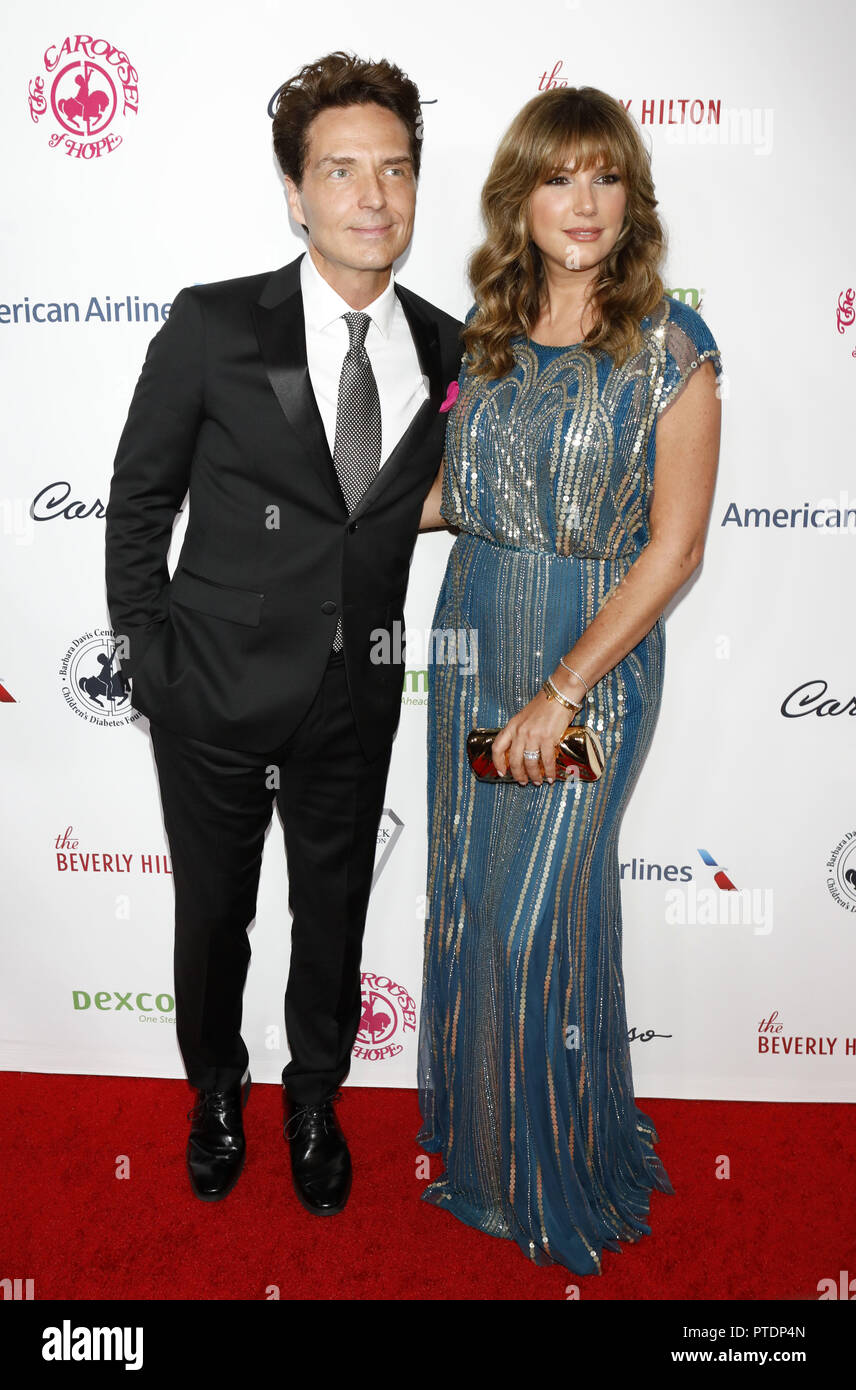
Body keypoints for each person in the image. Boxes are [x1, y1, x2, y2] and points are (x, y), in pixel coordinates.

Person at [105, 51, 463, 1212]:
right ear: (296, 193)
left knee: (335, 911)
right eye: (342, 170)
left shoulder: (451, 349)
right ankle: (215, 1087)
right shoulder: (215, 326)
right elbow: (140, 501)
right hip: (207, 689)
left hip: (356, 692)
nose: (373, 196)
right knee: (213, 918)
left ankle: (316, 1095)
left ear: (416, 186)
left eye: (395, 170)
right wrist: (154, 664)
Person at [416, 86, 723, 1273]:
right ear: (522, 200)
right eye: (558, 178)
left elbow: (677, 547)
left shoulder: (670, 348)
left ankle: (551, 1170)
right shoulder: (486, 337)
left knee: (529, 916)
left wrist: (565, 689)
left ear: (629, 195)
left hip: (585, 656)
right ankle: (494, 1146)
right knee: (473, 898)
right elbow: (455, 500)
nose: (582, 202)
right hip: (474, 631)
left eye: (604, 176)